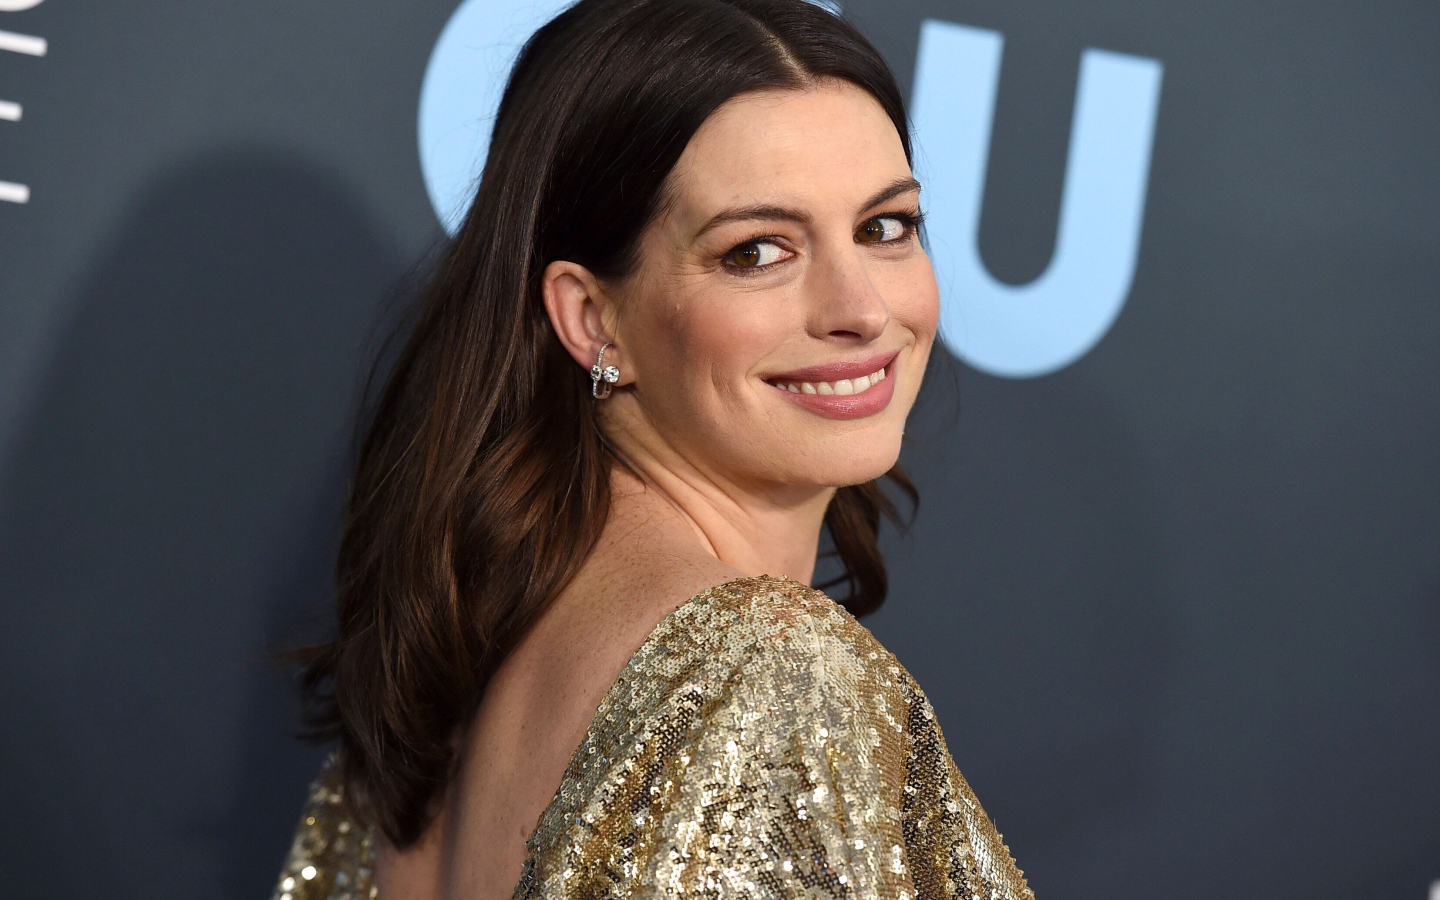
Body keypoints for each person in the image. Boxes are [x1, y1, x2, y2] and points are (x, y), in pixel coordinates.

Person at [272, 0, 1033, 896]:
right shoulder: (773, 678)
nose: (861, 309)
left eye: (884, 227)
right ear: (594, 319)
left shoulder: (469, 643)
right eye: (757, 251)